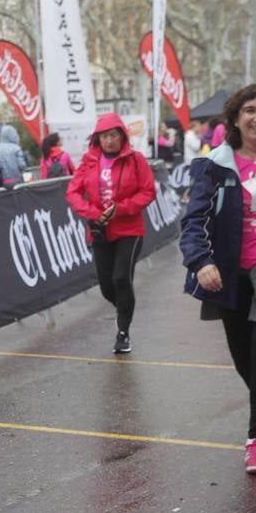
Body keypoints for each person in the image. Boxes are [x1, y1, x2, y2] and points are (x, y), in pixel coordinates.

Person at [180, 85, 256, 475]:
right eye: (250, 110)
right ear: (235, 118)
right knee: (243, 355)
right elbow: (193, 219)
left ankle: (255, 439)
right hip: (233, 275)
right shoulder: (216, 164)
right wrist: (201, 261)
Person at [65, 113, 158, 354]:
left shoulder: (135, 159)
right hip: (100, 231)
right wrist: (94, 213)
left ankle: (123, 332)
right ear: (98, 138)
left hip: (130, 229)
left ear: (122, 136)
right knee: (107, 286)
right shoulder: (88, 161)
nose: (109, 140)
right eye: (104, 136)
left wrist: (121, 208)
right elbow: (73, 193)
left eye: (113, 135)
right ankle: (125, 310)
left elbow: (148, 192)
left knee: (120, 278)